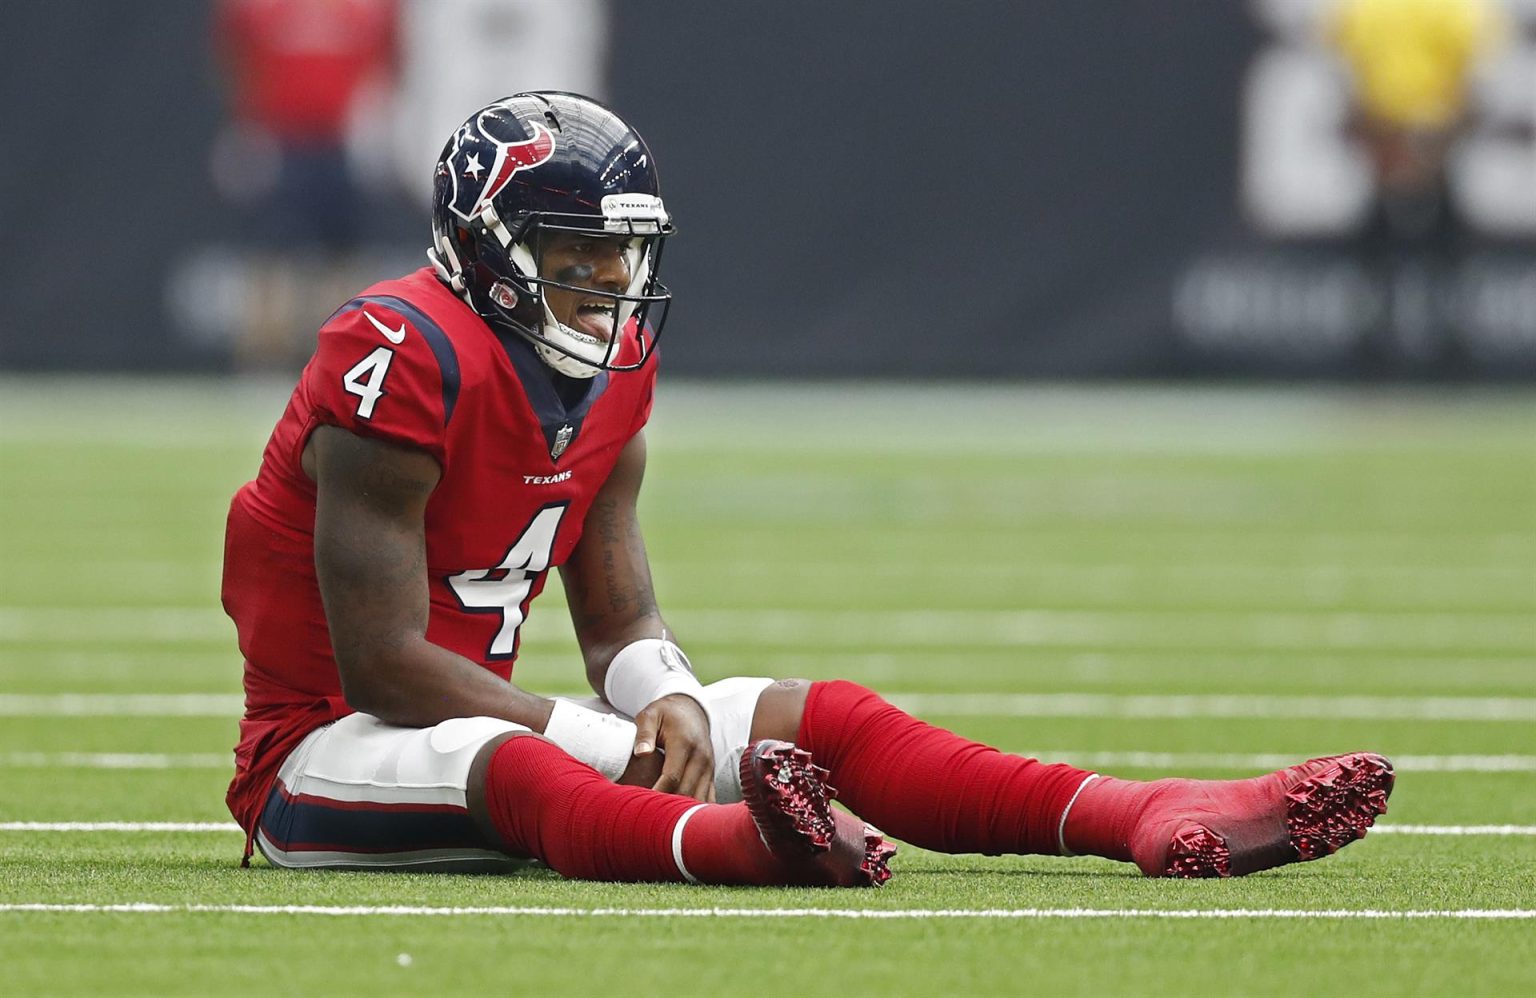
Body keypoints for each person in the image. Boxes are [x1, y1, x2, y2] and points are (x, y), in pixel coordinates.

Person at [222, 92, 1395, 885]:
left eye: (622, 254)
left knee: (817, 713)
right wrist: (598, 735)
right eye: (575, 253)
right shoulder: (396, 349)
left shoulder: (615, 362)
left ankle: (1138, 809)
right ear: (487, 246)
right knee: (521, 765)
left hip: (483, 720)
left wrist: (664, 697)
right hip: (327, 749)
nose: (608, 284)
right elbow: (379, 664)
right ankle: (750, 846)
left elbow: (617, 610)